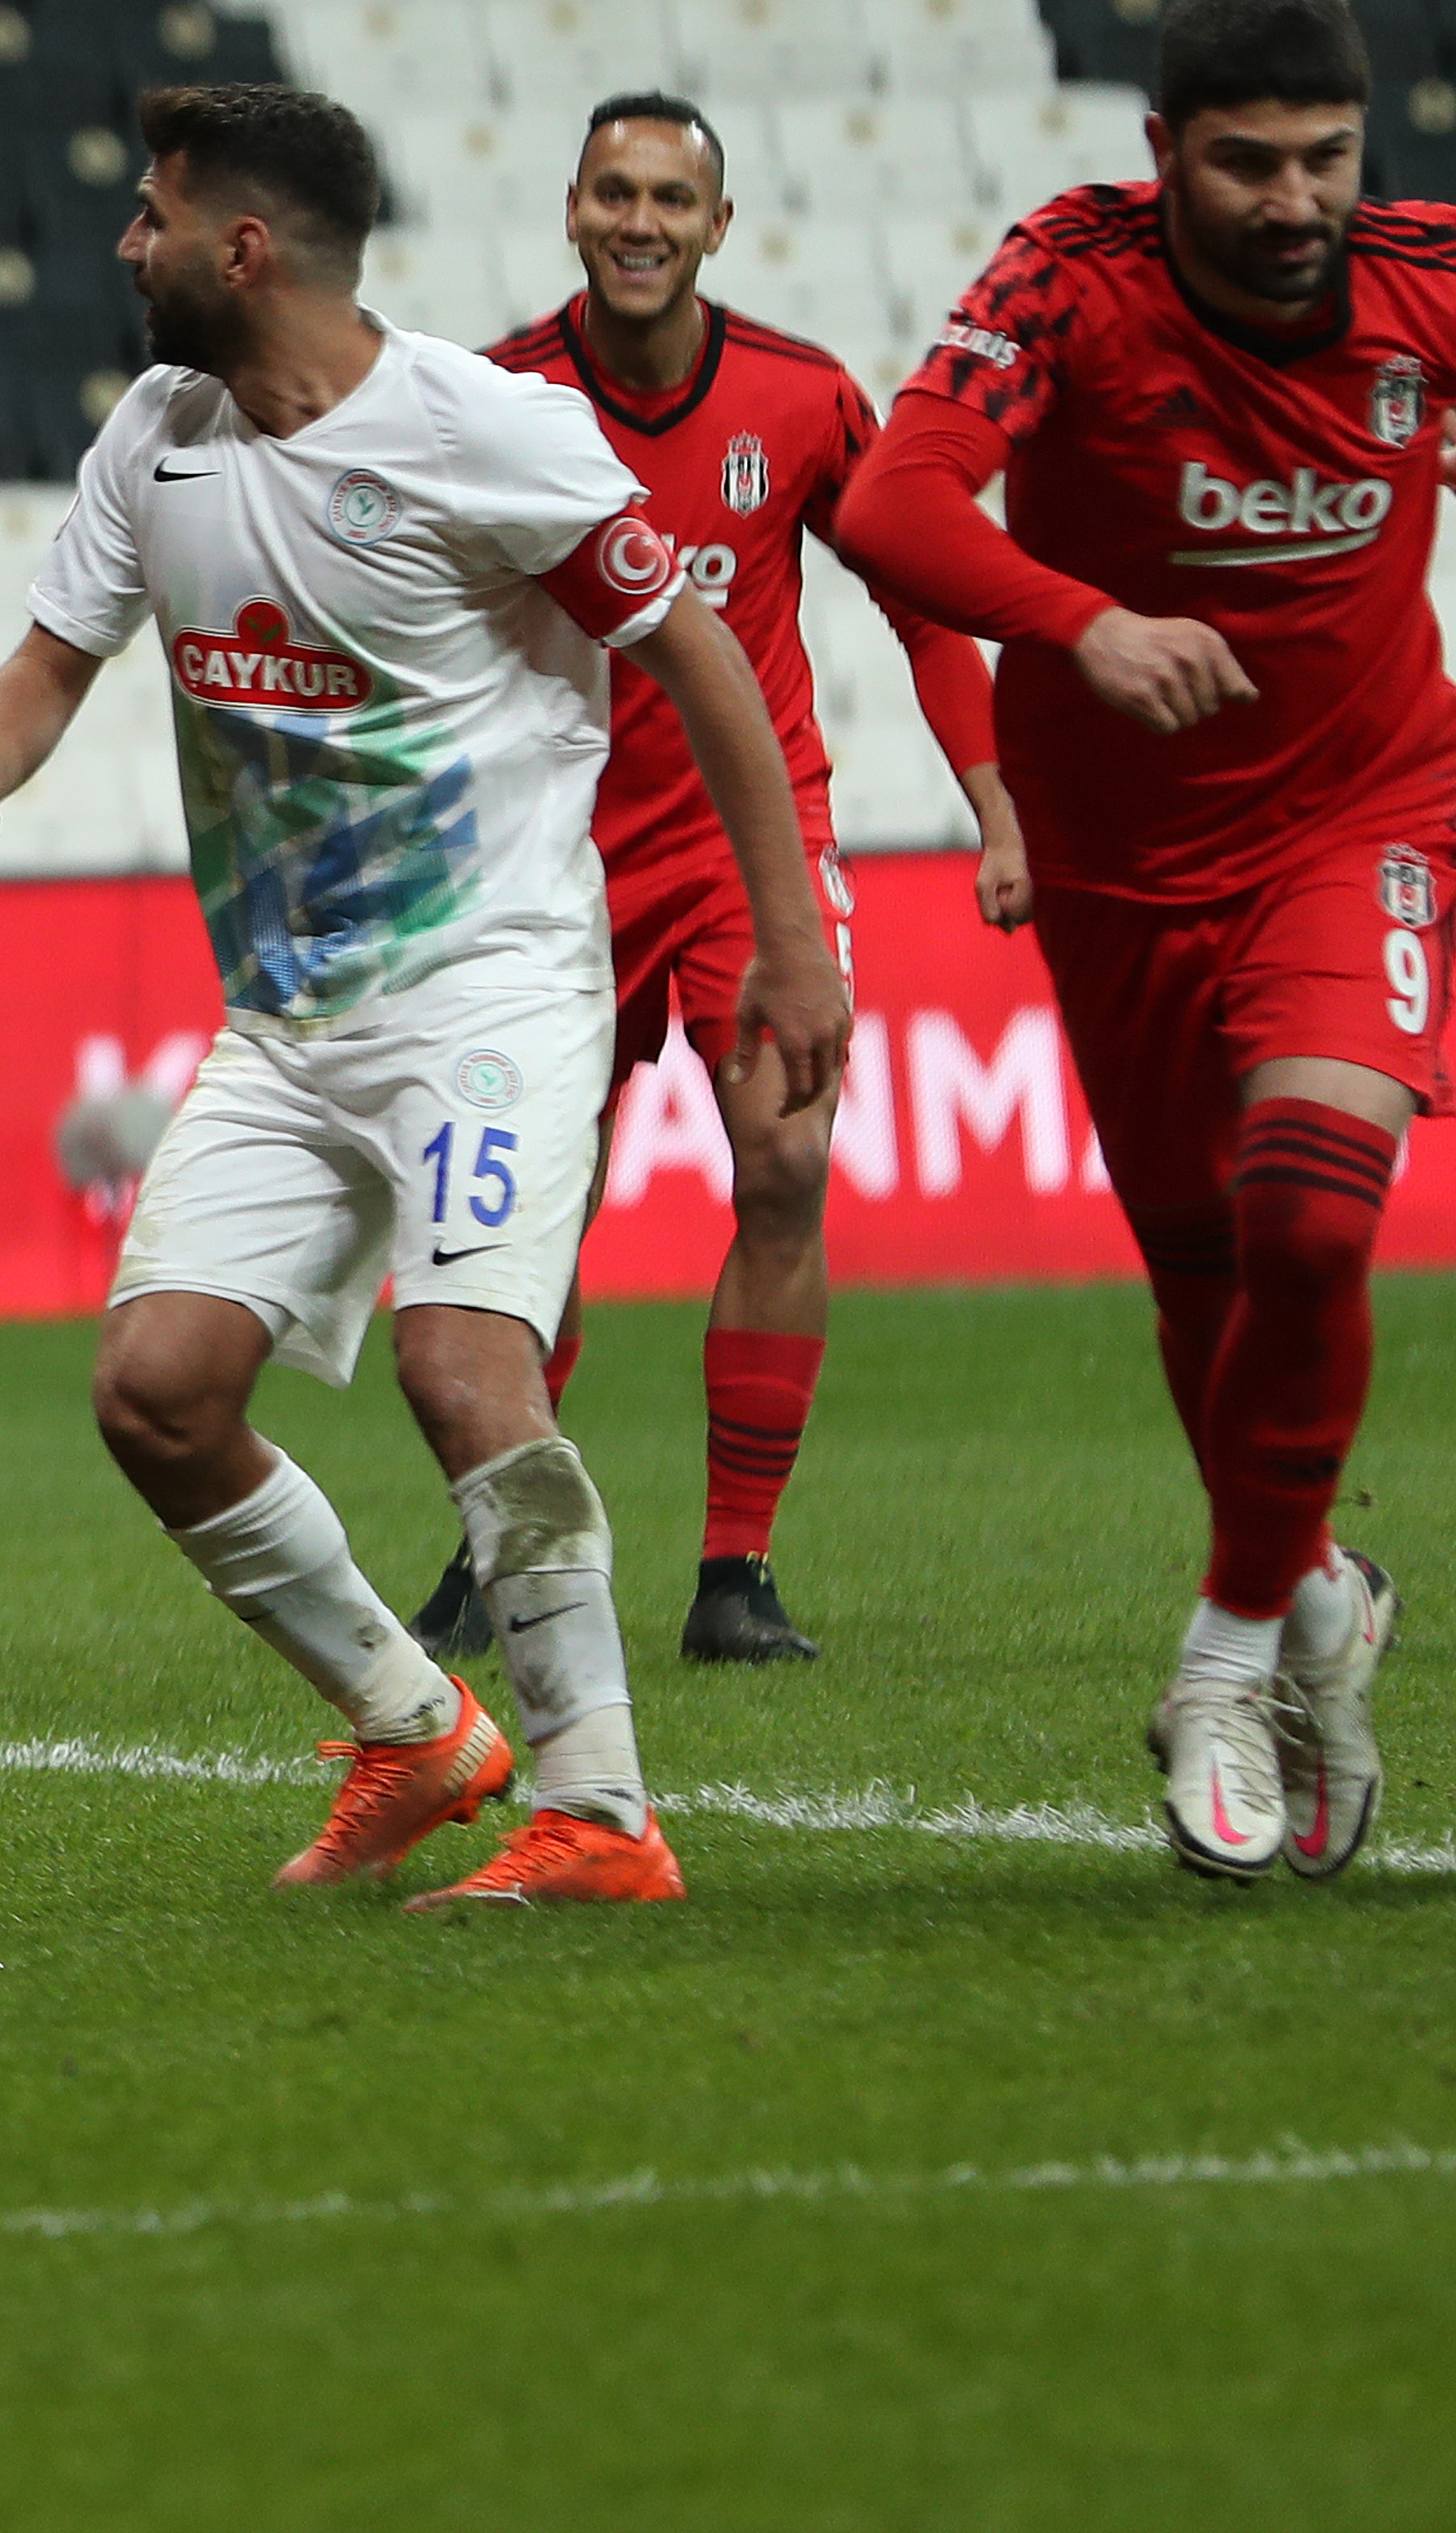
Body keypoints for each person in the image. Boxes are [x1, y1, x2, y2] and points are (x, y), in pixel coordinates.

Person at [0, 84, 850, 1906]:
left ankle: (602, 1817)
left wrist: (789, 933)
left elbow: (698, 648)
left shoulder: (486, 434)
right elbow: (50, 651)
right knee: (156, 1393)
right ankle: (416, 1732)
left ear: (240, 251)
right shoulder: (159, 432)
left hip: (488, 983)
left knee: (459, 1361)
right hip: (287, 1020)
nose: (125, 244)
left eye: (152, 214)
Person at [833, 0, 1456, 1884]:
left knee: (1312, 1203)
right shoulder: (1063, 283)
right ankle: (1318, 1604)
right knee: (1202, 1274)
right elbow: (893, 501)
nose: (1288, 200)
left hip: (1363, 811)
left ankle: (1230, 1649)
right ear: (1160, 153)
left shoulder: (1452, 271)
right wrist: (1081, 620)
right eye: (1242, 163)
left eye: (1322, 159)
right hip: (1118, 861)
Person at [404, 93, 1022, 1668]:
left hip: (744, 847)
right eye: (614, 191)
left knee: (785, 1164)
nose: (640, 222)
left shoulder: (800, 398)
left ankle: (733, 1573)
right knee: (528, 1215)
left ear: (715, 228)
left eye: (671, 198)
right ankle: (505, 1528)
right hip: (545, 856)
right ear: (570, 206)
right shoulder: (493, 400)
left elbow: (924, 606)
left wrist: (992, 802)